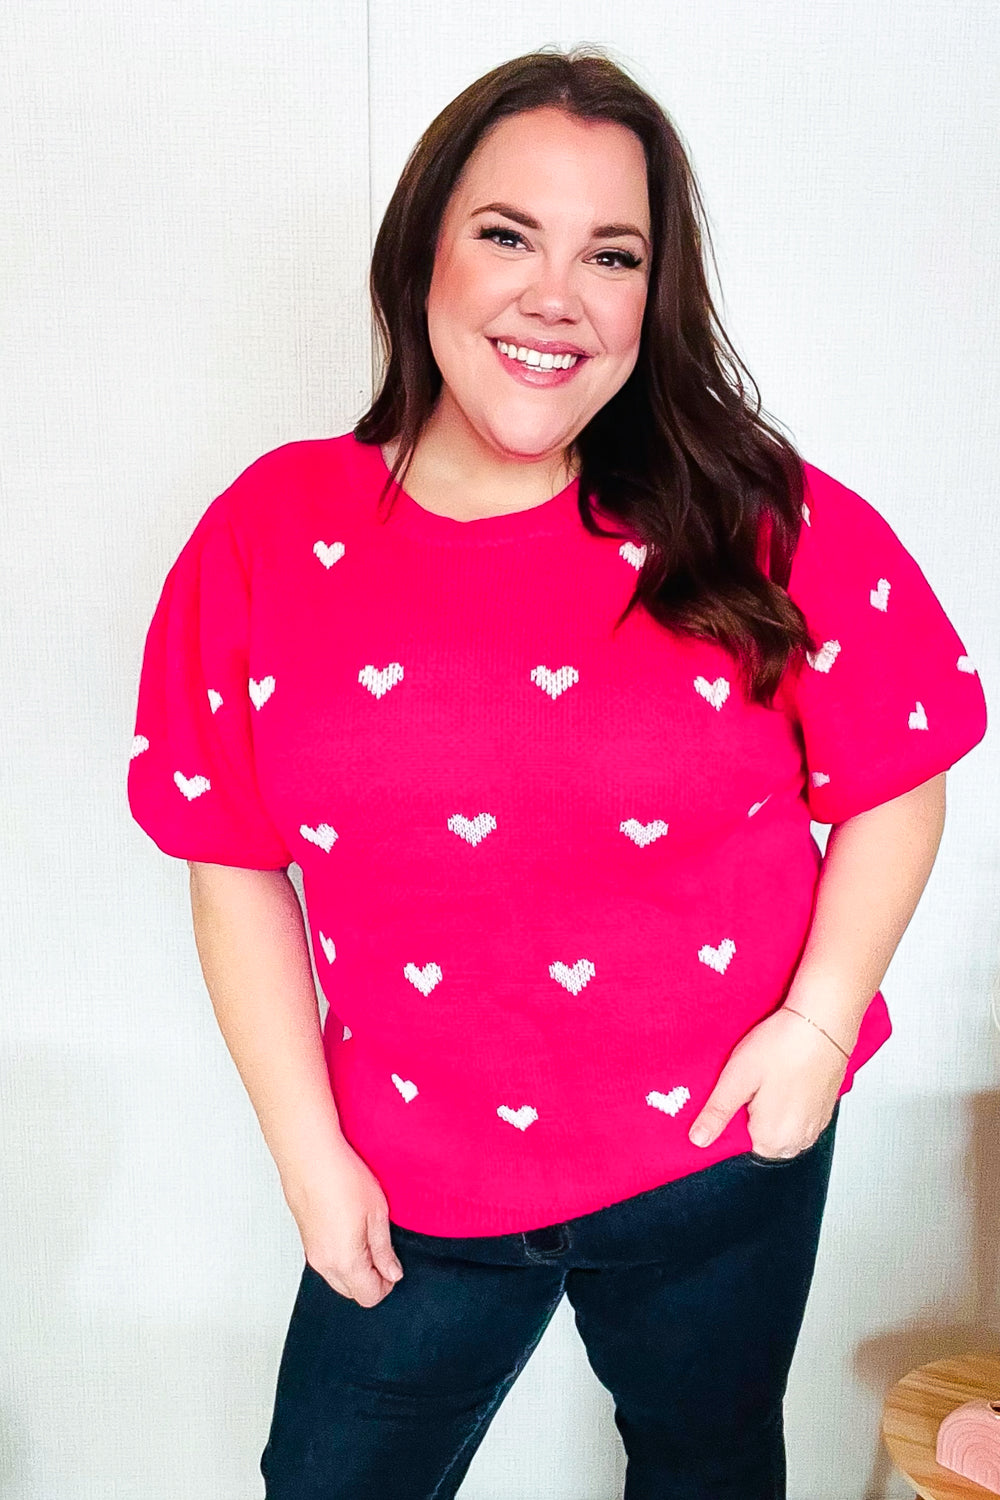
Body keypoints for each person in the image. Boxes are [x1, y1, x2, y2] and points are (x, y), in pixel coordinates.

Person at [126, 46, 987, 1500]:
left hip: (722, 1155)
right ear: (424, 253)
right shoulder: (267, 536)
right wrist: (308, 1157)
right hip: (410, 1182)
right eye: (508, 234)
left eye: (613, 254)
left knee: (708, 1469)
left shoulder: (755, 515)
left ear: (656, 296)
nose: (557, 295)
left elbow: (900, 768)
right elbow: (232, 861)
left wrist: (819, 1028)